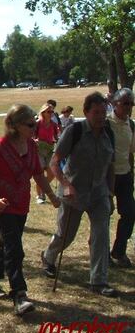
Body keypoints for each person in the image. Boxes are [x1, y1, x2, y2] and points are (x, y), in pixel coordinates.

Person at [0, 104, 60, 316]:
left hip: (23, 205)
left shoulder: (32, 146)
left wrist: (51, 195)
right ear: (15, 126)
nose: (35, 127)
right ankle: (19, 294)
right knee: (15, 249)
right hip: (4, 207)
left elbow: (38, 174)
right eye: (31, 124)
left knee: (7, 243)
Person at [40, 92, 117, 297]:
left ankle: (98, 281)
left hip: (99, 193)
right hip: (74, 191)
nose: (101, 116)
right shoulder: (74, 131)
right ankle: (48, 257)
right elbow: (54, 162)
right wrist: (65, 185)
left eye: (104, 112)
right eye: (96, 112)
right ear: (86, 112)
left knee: (101, 235)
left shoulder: (109, 132)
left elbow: (111, 165)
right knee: (66, 236)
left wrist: (110, 192)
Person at [108, 88, 135, 268]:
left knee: (130, 213)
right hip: (106, 177)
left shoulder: (131, 125)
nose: (129, 107)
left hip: (124, 176)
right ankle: (101, 253)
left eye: (131, 104)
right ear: (115, 103)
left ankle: (119, 251)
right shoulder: (105, 123)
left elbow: (131, 152)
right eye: (125, 103)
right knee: (103, 215)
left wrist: (131, 172)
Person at [33, 103, 60, 204]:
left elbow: (56, 137)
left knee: (51, 173)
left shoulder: (53, 124)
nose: (51, 113)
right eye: (49, 111)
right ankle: (40, 195)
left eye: (52, 111)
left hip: (49, 150)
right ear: (43, 113)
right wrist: (35, 140)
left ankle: (43, 188)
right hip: (39, 150)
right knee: (40, 173)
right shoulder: (38, 123)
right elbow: (32, 135)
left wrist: (58, 141)